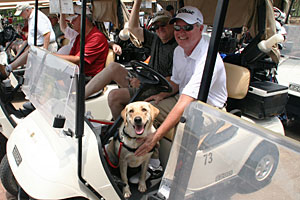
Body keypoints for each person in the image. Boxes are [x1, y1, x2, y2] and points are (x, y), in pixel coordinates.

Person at [134, 6, 228, 157]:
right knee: (147, 112)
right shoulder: (179, 51)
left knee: (183, 128)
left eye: (188, 27)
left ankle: (177, 174)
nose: (181, 32)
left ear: (201, 28)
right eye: (177, 27)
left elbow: (185, 101)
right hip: (185, 101)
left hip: (209, 109)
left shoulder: (208, 59)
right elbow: (176, 83)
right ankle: (153, 163)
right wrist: (162, 95)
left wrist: (155, 137)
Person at [85, 0, 177, 120]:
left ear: (172, 25)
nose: (160, 29)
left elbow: (175, 81)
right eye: (156, 27)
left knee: (114, 96)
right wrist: (137, 2)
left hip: (160, 89)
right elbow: (132, 27)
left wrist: (143, 82)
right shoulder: (156, 39)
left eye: (163, 25)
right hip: (148, 82)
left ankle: (125, 132)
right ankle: (79, 98)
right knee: (113, 67)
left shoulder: (178, 47)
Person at [0, 3, 57, 79]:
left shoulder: (37, 17)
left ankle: (9, 68)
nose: (21, 16)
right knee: (32, 69)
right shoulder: (31, 17)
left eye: (21, 13)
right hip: (36, 47)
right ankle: (8, 68)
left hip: (44, 47)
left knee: (42, 74)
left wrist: (44, 50)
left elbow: (47, 34)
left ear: (27, 10)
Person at [53, 4, 109, 78]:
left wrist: (54, 56)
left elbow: (78, 59)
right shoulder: (80, 36)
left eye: (74, 19)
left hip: (89, 78)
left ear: (84, 20)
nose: (72, 22)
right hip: (77, 75)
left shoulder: (96, 38)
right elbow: (72, 57)